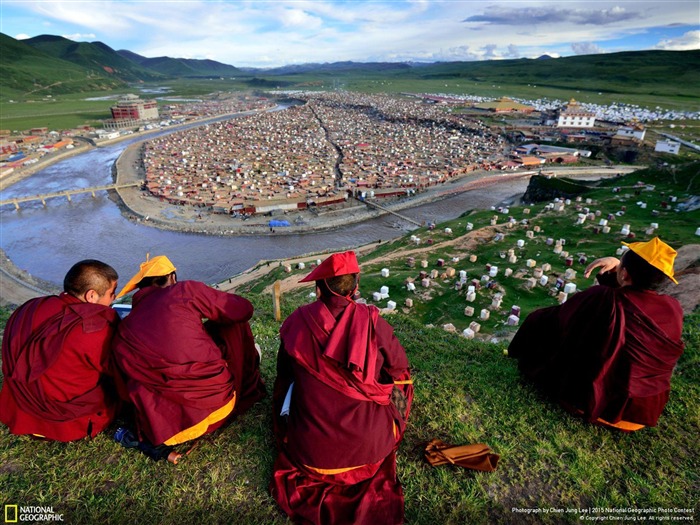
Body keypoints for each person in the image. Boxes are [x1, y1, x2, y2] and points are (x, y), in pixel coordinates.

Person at [270, 251, 413, 525]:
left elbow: (283, 373)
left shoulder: (298, 323)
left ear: (318, 288)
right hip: (371, 450)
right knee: (398, 383)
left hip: (312, 454)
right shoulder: (373, 322)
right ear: (356, 287)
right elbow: (400, 369)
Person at [508, 237, 685, 431]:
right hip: (640, 414)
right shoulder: (673, 308)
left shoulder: (602, 298)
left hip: (597, 406)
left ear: (624, 274)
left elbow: (558, 320)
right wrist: (619, 270)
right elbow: (628, 301)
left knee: (542, 319)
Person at [111, 255, 265, 447]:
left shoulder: (124, 329)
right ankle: (250, 376)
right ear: (173, 278)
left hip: (163, 430)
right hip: (217, 409)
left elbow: (125, 391)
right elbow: (243, 310)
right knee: (233, 324)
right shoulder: (183, 291)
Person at [0, 260, 120, 441]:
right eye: (112, 293)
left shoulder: (30, 308)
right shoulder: (94, 327)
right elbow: (116, 370)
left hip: (19, 409)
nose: (115, 298)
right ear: (92, 296)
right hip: (63, 420)